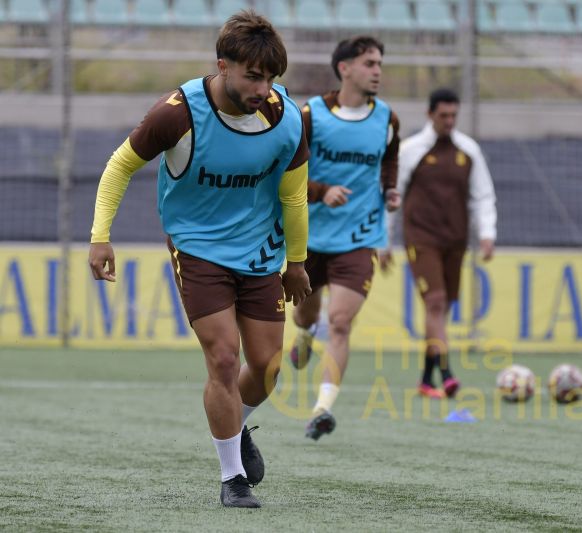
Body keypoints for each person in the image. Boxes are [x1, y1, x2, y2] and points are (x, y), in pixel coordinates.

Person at [87, 10, 311, 508]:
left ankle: (236, 426)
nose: (263, 87)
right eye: (253, 75)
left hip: (260, 251)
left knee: (268, 366)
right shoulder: (178, 113)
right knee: (224, 358)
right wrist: (100, 236)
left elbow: (294, 198)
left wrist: (296, 263)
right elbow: (120, 165)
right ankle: (233, 478)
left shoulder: (287, 118)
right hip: (197, 247)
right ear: (222, 65)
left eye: (272, 77)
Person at [288, 35, 401, 441]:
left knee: (339, 323)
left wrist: (390, 190)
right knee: (307, 316)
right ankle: (303, 333)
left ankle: (322, 408)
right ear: (345, 68)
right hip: (310, 237)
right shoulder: (311, 115)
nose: (377, 71)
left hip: (359, 238)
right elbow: (288, 170)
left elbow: (388, 158)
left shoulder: (387, 117)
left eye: (379, 63)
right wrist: (321, 192)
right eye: (370, 63)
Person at [385, 88, 497, 399]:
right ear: (430, 114)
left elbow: (482, 195)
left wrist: (487, 233)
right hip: (421, 239)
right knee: (435, 303)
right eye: (443, 115)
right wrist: (384, 240)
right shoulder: (411, 150)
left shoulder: (468, 151)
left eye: (453, 116)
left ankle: (425, 379)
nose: (449, 121)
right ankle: (447, 373)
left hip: (455, 240)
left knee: (442, 310)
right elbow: (392, 196)